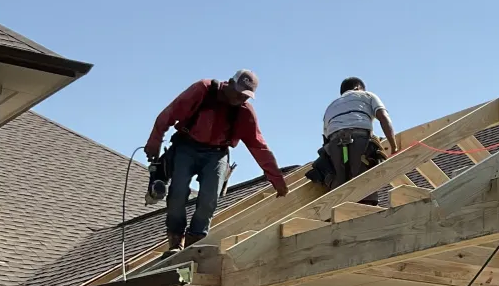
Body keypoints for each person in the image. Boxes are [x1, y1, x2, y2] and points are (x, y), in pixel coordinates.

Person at [146, 69, 288, 251]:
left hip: (217, 153)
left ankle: (194, 240)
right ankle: (176, 239)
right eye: (238, 92)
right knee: (178, 192)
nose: (240, 98)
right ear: (230, 83)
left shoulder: (244, 112)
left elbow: (259, 147)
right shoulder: (203, 90)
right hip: (186, 146)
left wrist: (277, 179)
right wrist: (154, 141)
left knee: (210, 197)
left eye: (245, 96)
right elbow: (169, 114)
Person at [307, 77, 398, 190]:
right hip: (359, 138)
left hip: (335, 144)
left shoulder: (331, 106)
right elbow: (383, 118)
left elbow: (326, 139)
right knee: (365, 184)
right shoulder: (368, 95)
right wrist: (394, 147)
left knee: (341, 186)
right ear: (358, 87)